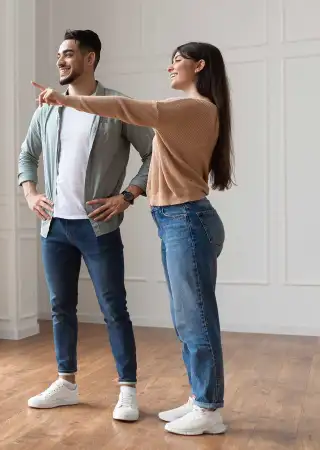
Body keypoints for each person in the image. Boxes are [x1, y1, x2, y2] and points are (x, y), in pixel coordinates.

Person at [35, 41, 234, 436]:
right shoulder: (191, 112)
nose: (170, 68)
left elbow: (126, 109)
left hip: (186, 219)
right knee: (185, 317)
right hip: (177, 220)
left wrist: (67, 101)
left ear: (200, 66)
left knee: (195, 320)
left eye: (177, 61)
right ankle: (199, 398)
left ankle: (210, 409)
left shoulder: (193, 108)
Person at [17, 29, 154, 422]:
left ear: (90, 58)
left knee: (114, 309)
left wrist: (126, 196)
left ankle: (127, 390)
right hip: (55, 228)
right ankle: (66, 383)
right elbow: (27, 155)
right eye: (59, 54)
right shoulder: (47, 109)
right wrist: (30, 194)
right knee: (61, 308)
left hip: (98, 229)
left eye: (69, 54)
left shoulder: (118, 106)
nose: (60, 61)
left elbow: (153, 153)